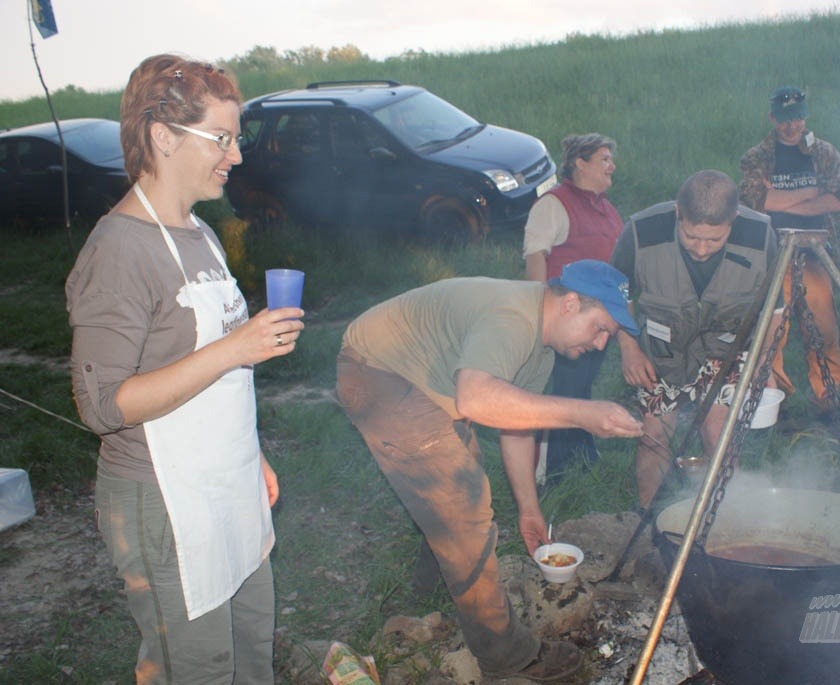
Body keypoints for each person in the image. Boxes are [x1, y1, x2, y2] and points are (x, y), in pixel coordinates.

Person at [65, 54, 305, 683]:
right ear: (162, 136)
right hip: (164, 501)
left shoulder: (201, 233)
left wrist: (250, 452)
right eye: (220, 139)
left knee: (252, 647)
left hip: (225, 481)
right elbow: (102, 406)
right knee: (196, 669)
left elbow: (213, 374)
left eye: (236, 138)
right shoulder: (118, 249)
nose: (237, 155)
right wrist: (237, 347)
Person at [335, 259, 642, 682]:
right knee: (463, 507)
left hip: (420, 376)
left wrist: (529, 509)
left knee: (459, 483)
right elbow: (477, 400)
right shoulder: (514, 318)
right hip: (379, 372)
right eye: (601, 328)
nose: (602, 343)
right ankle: (509, 658)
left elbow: (514, 422)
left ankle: (433, 589)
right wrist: (582, 413)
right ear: (571, 303)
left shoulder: (541, 347)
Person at [610, 170, 778, 509]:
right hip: (662, 350)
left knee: (718, 434)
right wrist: (628, 347)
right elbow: (617, 293)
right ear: (678, 214)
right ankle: (648, 519)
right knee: (655, 436)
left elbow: (775, 309)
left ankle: (724, 517)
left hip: (725, 349)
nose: (701, 249)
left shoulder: (760, 236)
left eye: (714, 240)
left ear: (733, 220)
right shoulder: (642, 232)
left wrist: (764, 362)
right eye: (690, 237)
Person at [739, 86, 840, 416]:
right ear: (773, 118)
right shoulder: (757, 157)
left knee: (823, 325)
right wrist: (811, 191)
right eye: (786, 120)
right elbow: (757, 201)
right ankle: (779, 400)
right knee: (775, 328)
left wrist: (785, 201)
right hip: (773, 252)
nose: (793, 126)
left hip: (815, 250)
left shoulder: (824, 153)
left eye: (799, 118)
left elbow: (838, 199)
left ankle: (827, 396)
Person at [523, 133, 624, 481]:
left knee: (581, 385)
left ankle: (580, 453)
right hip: (565, 319)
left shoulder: (606, 208)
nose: (612, 166)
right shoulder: (554, 204)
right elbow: (536, 254)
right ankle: (548, 473)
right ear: (580, 164)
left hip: (597, 320)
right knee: (561, 391)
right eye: (604, 159)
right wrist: (537, 311)